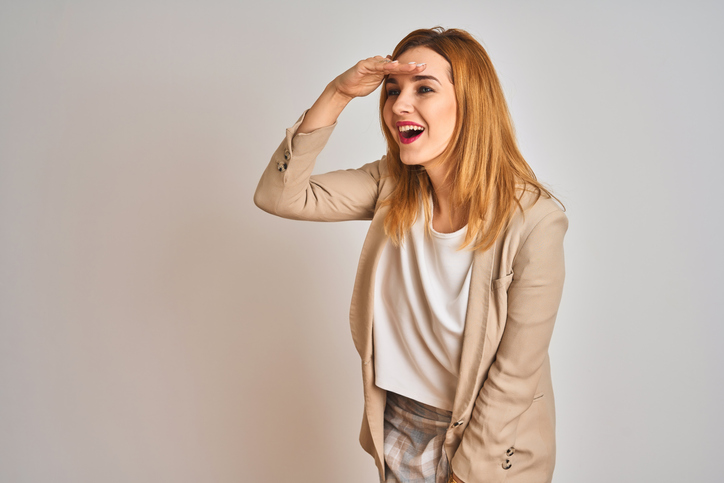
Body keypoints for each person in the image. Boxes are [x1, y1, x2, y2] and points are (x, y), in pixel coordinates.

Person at [254, 27, 567, 483]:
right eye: (393, 90)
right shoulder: (392, 186)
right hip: (399, 424)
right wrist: (339, 92)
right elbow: (280, 195)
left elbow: (515, 374)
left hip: (491, 441)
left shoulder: (535, 220)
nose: (399, 104)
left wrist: (465, 474)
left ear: (471, 103)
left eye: (424, 89)